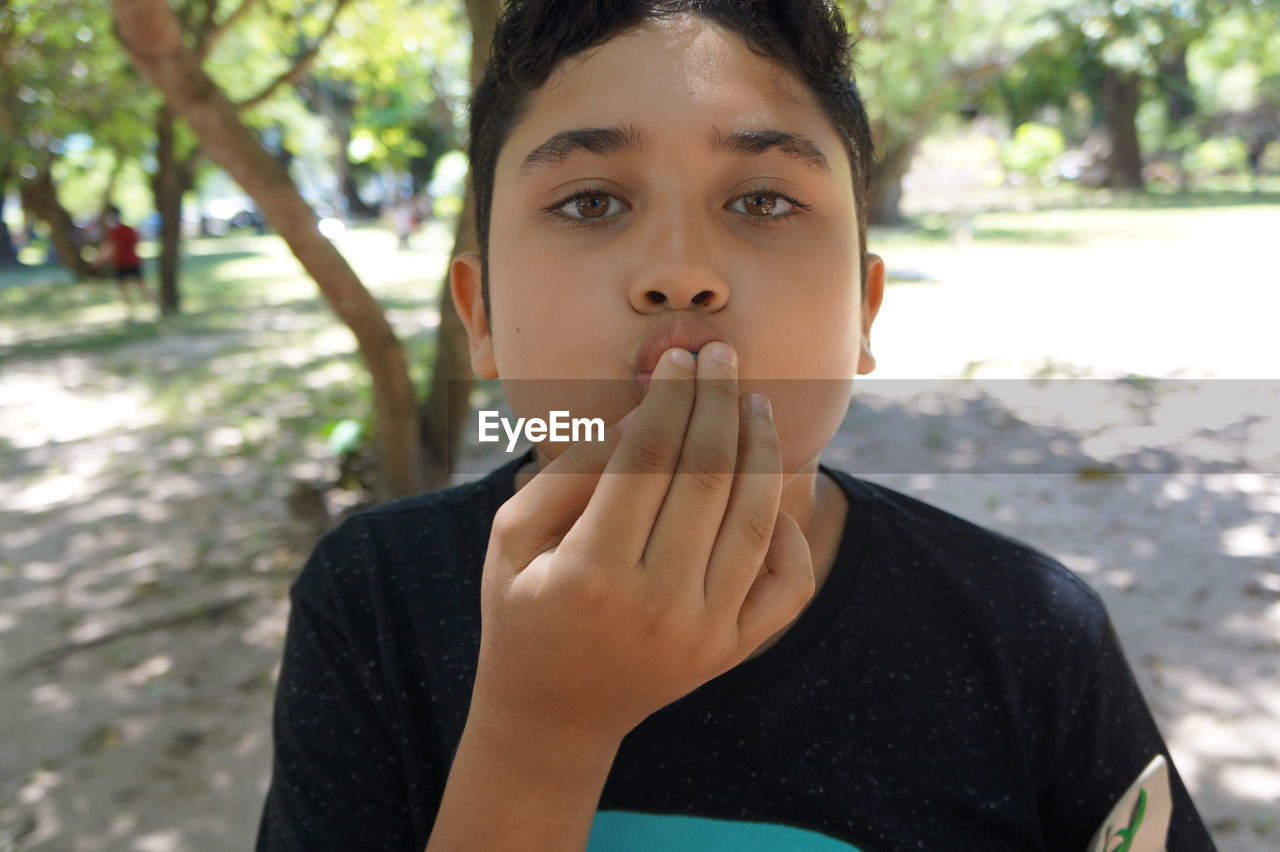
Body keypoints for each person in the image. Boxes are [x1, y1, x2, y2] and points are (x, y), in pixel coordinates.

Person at [255, 2, 1216, 850]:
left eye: (763, 200)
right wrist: (541, 732)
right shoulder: (371, 604)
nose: (681, 270)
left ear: (864, 312)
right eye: (591, 201)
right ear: (483, 317)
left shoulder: (1030, 637)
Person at [96, 205, 150, 318]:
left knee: (126, 289)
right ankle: (133, 313)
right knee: (139, 287)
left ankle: (132, 313)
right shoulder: (128, 229)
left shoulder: (115, 231)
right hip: (131, 262)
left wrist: (99, 261)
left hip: (124, 263)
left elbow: (111, 248)